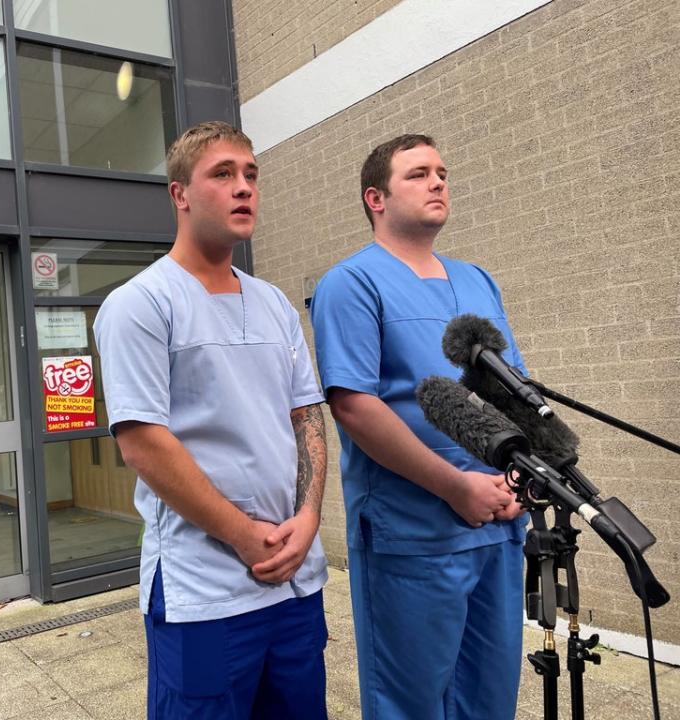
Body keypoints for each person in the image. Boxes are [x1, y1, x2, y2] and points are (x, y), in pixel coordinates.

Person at [94, 121, 329, 719]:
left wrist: (307, 519)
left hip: (294, 582)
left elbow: (306, 416)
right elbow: (144, 444)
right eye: (222, 174)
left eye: (250, 174)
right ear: (180, 194)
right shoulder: (141, 304)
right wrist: (244, 535)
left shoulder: (274, 303)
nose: (243, 187)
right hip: (206, 592)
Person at [310, 134, 527, 720]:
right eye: (418, 174)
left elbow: (515, 394)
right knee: (412, 702)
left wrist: (515, 482)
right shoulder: (351, 284)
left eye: (442, 172)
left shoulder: (477, 279)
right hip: (416, 535)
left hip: (498, 522)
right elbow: (354, 406)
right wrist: (457, 486)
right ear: (375, 198)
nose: (438, 182)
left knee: (489, 694)